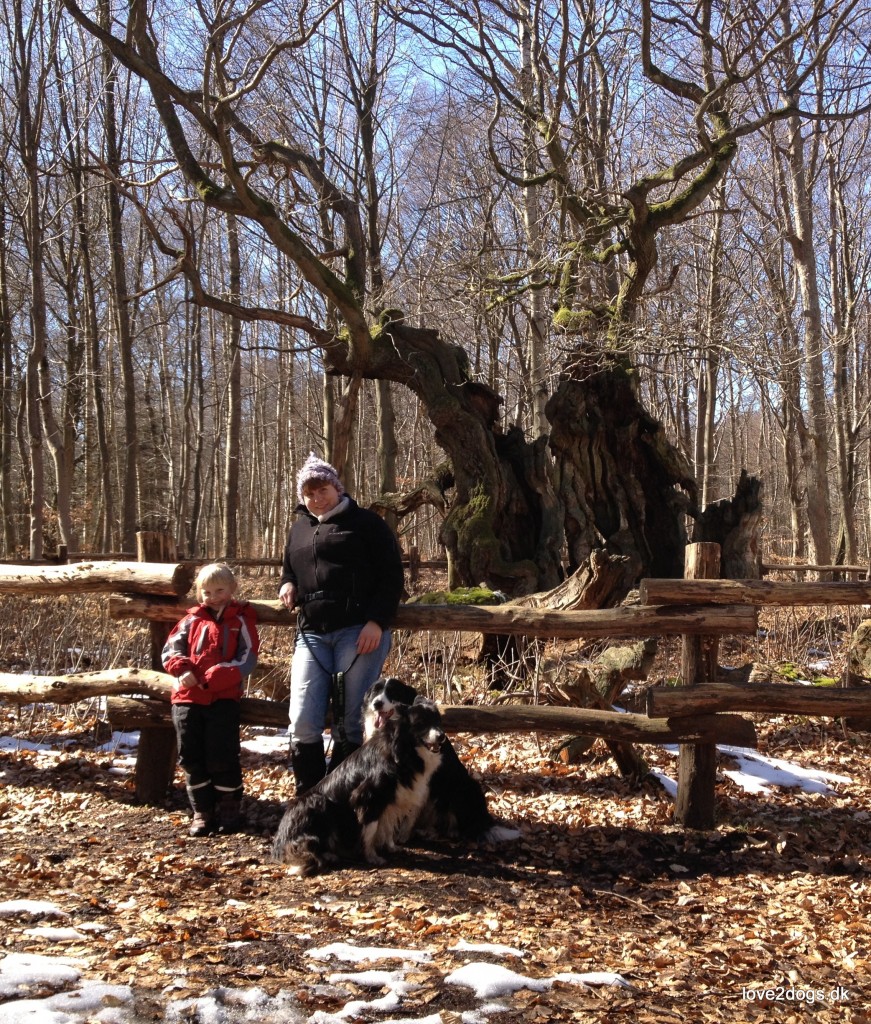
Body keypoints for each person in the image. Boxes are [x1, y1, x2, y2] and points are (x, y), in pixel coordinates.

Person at [279, 453, 405, 793]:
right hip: (311, 633)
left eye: (322, 489)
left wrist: (377, 621)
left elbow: (392, 576)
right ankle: (309, 794)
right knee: (303, 717)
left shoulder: (366, 523)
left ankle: (340, 794)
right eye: (309, 493)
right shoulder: (300, 528)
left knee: (351, 719)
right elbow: (289, 567)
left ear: (337, 488)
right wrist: (287, 583)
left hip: (358, 630)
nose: (317, 497)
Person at [162, 562, 259, 836]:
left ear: (232, 590)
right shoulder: (191, 620)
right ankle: (202, 811)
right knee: (191, 756)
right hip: (187, 698)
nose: (213, 596)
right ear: (198, 592)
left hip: (223, 698)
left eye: (219, 590)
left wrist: (221, 674)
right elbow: (171, 650)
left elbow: (248, 658)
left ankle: (229, 807)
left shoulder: (240, 620)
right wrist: (181, 669)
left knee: (222, 755)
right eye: (206, 591)